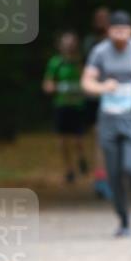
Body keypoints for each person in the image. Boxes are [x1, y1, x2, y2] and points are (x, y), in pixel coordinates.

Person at [82, 10, 131, 236]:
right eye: (115, 30)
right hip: (109, 118)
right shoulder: (100, 52)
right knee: (113, 173)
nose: (120, 34)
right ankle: (123, 221)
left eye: (124, 30)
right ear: (108, 31)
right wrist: (103, 87)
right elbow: (87, 82)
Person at [42, 31, 89, 183]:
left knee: (78, 140)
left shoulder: (80, 62)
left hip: (77, 106)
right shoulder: (56, 63)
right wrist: (57, 88)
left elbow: (88, 81)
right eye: (66, 43)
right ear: (60, 45)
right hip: (61, 105)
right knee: (62, 141)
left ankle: (81, 159)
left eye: (71, 43)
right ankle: (69, 169)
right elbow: (47, 84)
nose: (69, 46)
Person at [83, 6, 113, 199]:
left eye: (105, 18)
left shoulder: (121, 41)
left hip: (121, 96)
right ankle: (101, 178)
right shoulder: (91, 43)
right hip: (97, 97)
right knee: (99, 138)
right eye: (98, 18)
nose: (101, 21)